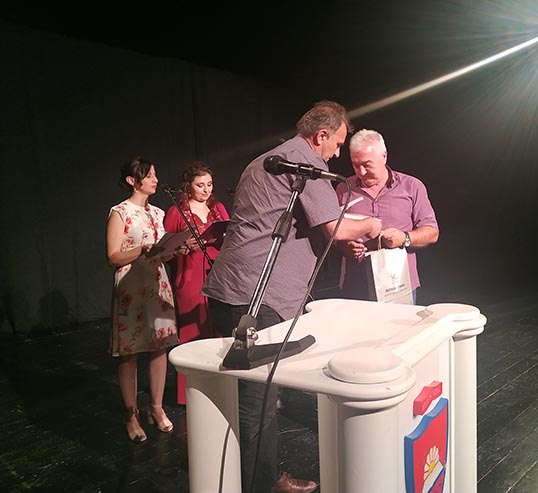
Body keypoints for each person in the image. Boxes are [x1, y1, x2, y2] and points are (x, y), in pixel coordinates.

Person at [203, 100, 381, 493]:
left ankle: (258, 478)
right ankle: (259, 486)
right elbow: (335, 228)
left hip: (231, 289)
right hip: (259, 295)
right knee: (257, 402)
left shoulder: (266, 160)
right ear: (321, 135)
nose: (337, 154)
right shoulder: (303, 163)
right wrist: (371, 223)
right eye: (337, 144)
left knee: (249, 397)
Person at [106, 157, 185, 442]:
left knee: (159, 346)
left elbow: (161, 250)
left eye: (154, 175)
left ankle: (156, 407)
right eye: (149, 176)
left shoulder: (157, 212)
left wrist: (174, 249)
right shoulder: (120, 212)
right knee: (130, 351)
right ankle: (131, 414)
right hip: (132, 285)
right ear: (132, 181)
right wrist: (141, 249)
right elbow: (113, 255)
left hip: (156, 282)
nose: (155, 180)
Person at [335, 129, 439, 304]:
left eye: (367, 164)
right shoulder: (344, 189)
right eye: (355, 165)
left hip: (398, 285)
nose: (361, 171)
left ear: (384, 156)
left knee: (401, 323)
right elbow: (332, 232)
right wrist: (345, 245)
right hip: (355, 284)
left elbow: (432, 232)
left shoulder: (411, 186)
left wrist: (404, 238)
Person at [164, 161, 230, 405]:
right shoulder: (177, 212)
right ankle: (191, 393)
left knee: (219, 328)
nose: (206, 190)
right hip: (190, 275)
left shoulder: (218, 208)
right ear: (189, 186)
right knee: (193, 330)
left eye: (209, 184)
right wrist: (184, 246)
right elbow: (166, 248)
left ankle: (221, 385)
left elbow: (230, 235)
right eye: (200, 185)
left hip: (217, 271)